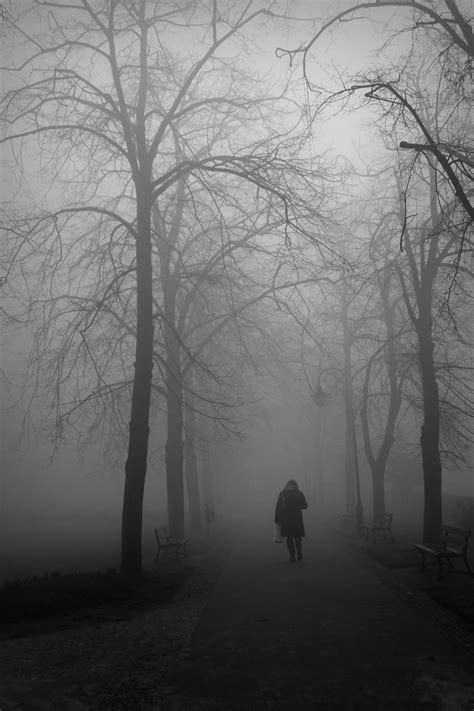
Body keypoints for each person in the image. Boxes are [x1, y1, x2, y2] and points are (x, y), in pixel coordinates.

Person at [274, 479, 308, 563]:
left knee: (289, 538)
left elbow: (278, 508)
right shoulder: (299, 494)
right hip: (297, 519)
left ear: (286, 485)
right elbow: (305, 506)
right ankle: (299, 552)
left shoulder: (282, 495)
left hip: (286, 519)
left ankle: (292, 556)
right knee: (298, 537)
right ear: (296, 486)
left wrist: (277, 519)